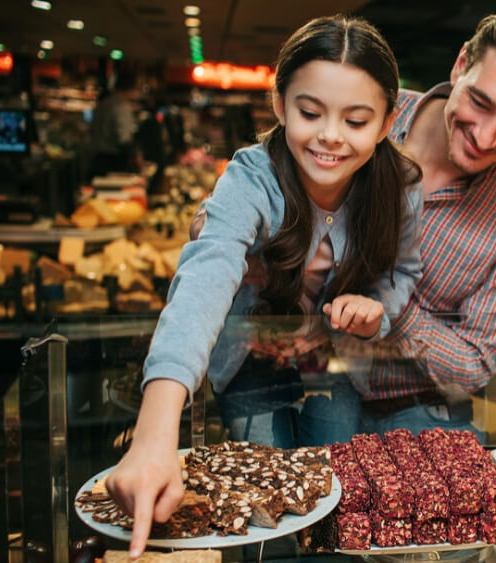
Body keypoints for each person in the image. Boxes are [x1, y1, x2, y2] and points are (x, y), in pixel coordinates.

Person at [105, 16, 423, 558]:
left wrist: (377, 308)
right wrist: (156, 429)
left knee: (333, 504)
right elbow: (204, 277)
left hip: (332, 363)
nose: (330, 135)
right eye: (309, 113)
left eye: (356, 120)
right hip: (249, 360)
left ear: (387, 122)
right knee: (262, 514)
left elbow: (405, 273)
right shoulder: (251, 178)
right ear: (279, 104)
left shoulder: (402, 187)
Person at [306, 6, 496, 439]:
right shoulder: (365, 114)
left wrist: (389, 306)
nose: (486, 137)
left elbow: (475, 365)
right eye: (480, 103)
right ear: (461, 65)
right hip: (310, 378)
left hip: (420, 407)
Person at [89, 71, 138, 178]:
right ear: (131, 89)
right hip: (113, 162)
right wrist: (135, 158)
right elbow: (124, 140)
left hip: (96, 160)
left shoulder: (103, 104)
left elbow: (91, 130)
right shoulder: (122, 106)